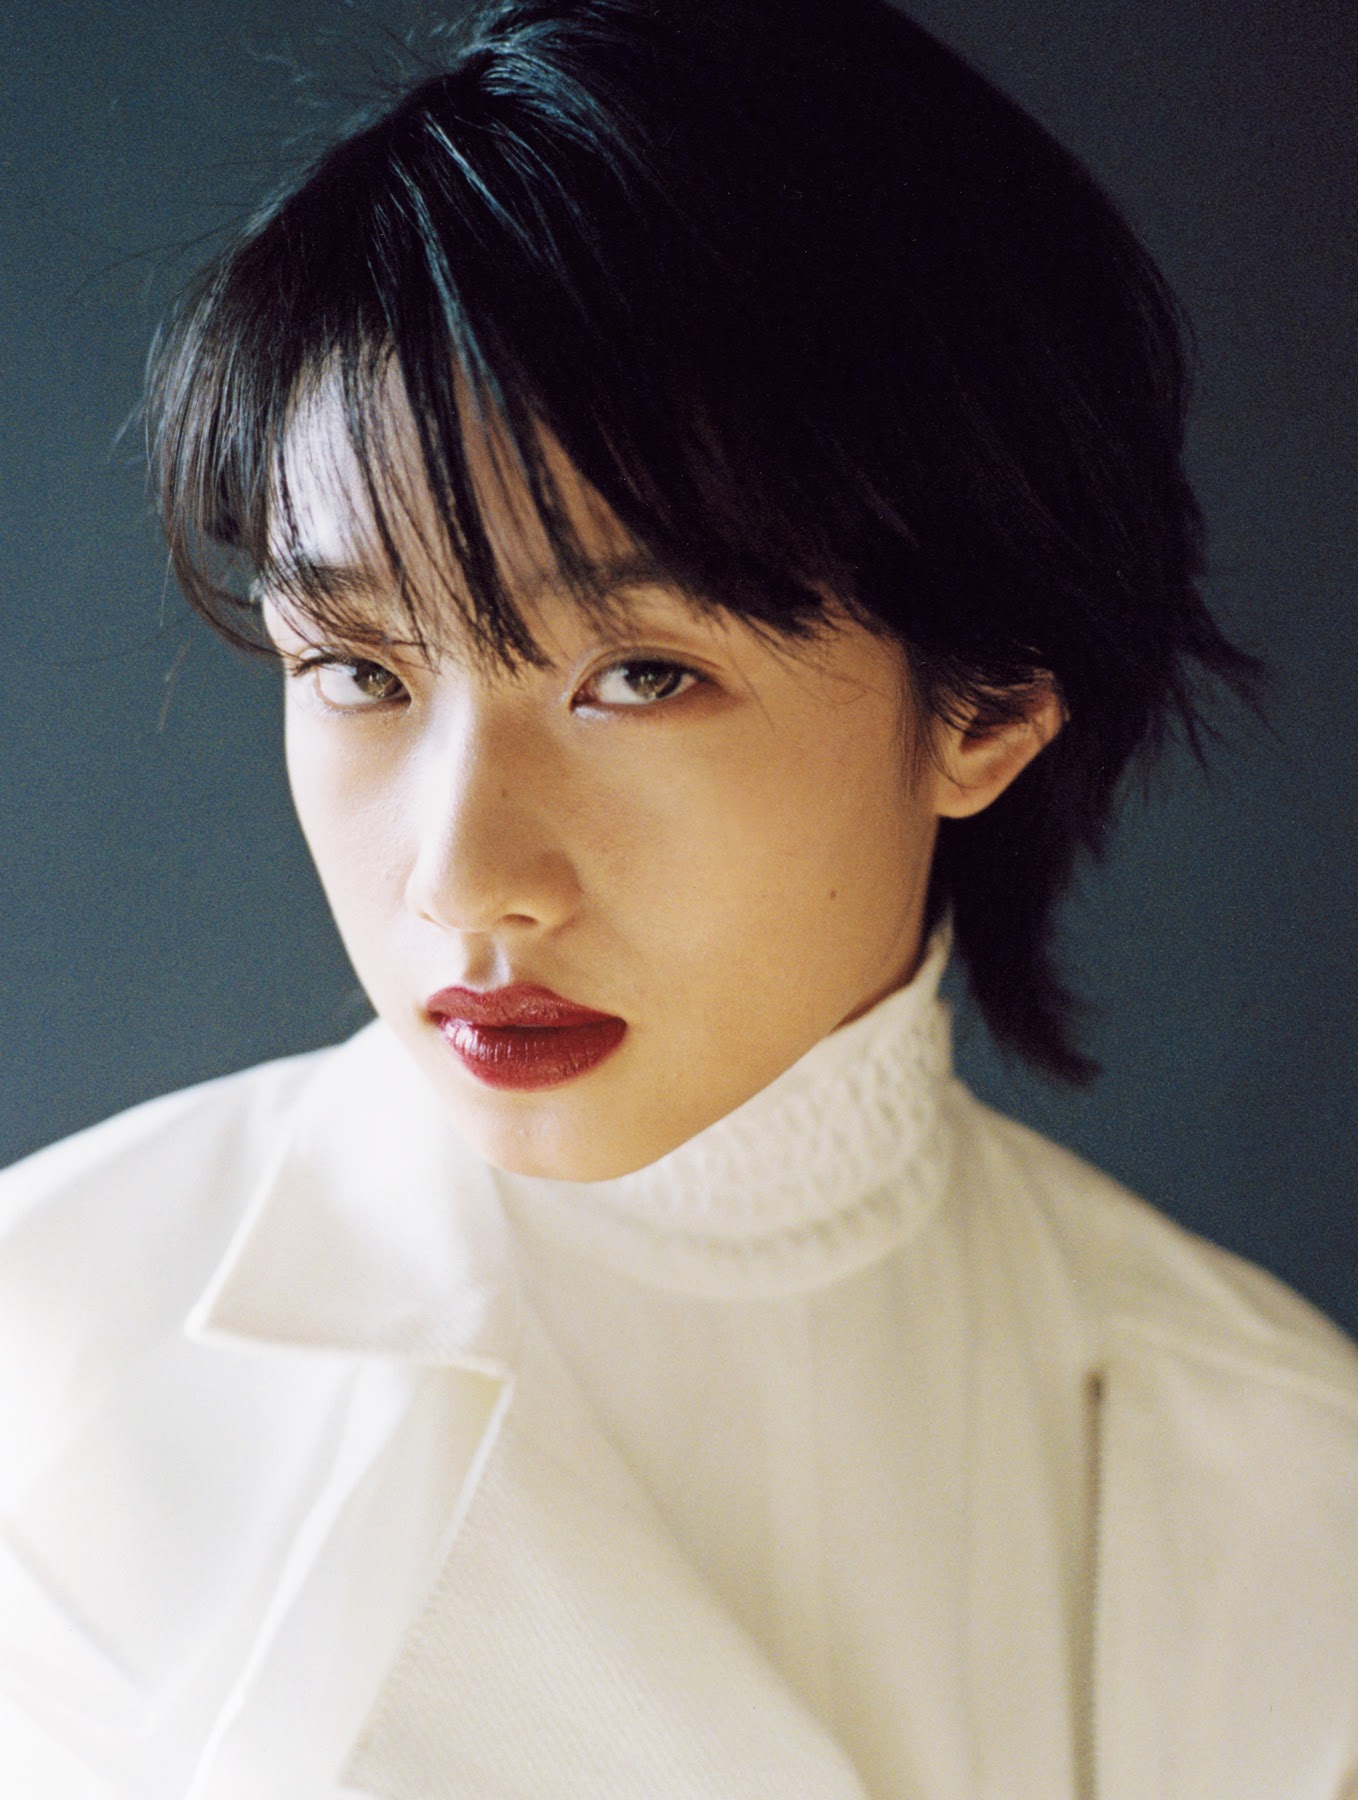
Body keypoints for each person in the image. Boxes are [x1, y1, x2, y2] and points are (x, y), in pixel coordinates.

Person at [2, 0, 1356, 1794]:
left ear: (988, 703)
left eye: (638, 676)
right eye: (356, 668)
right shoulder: (50, 1359)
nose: (465, 878)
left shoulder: (1275, 1476)